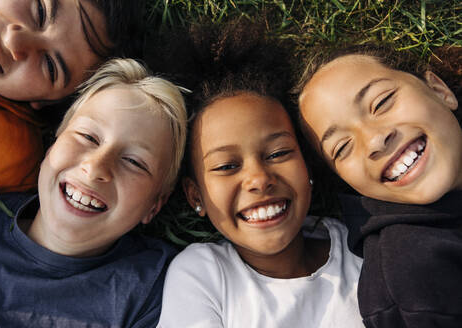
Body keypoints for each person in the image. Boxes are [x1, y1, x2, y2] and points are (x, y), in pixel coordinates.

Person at [156, 20, 364, 328]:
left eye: (278, 154)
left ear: (307, 166)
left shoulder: (360, 246)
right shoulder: (204, 275)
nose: (259, 179)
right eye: (227, 166)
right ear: (195, 196)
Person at [0, 58, 187, 327]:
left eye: (134, 162)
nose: (96, 167)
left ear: (153, 206)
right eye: (88, 137)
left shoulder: (151, 290)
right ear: (52, 147)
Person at [295, 44, 462, 327]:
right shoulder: (414, 280)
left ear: (438, 90)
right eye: (342, 148)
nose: (374, 140)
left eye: (382, 103)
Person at [0, 0, 146, 197]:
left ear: (44, 102)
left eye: (50, 67)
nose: (13, 41)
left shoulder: (5, 155)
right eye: (40, 11)